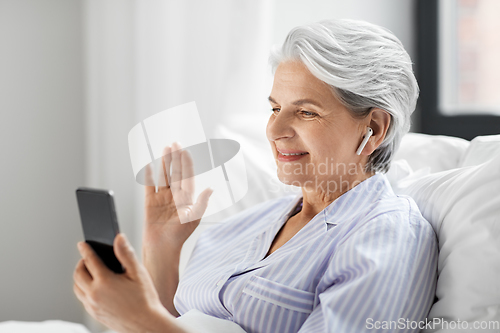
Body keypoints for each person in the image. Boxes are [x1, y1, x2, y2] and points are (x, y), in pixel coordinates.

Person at [73, 19, 438, 333]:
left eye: (306, 112)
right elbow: (175, 322)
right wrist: (162, 246)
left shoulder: (387, 235)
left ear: (373, 128)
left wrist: (139, 320)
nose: (275, 129)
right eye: (275, 108)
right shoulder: (245, 225)